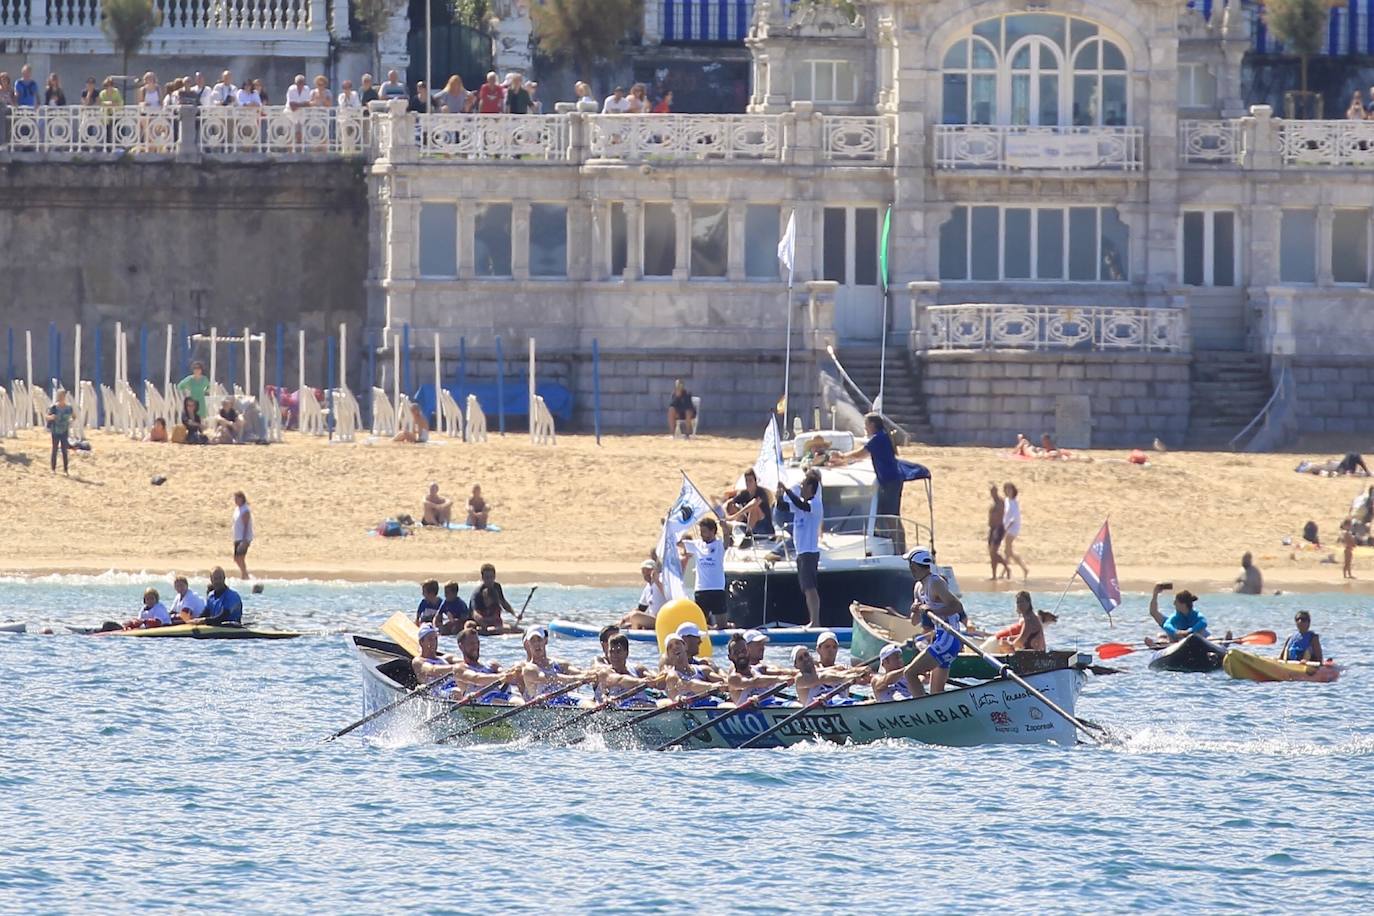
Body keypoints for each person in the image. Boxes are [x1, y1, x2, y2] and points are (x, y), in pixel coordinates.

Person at [899, 547, 967, 696]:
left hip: (949, 638)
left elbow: (957, 606)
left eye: (910, 565)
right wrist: (915, 610)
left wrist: (932, 610)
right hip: (941, 638)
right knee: (936, 693)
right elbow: (914, 622)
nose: (910, 569)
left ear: (914, 566)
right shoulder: (918, 587)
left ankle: (921, 707)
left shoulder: (936, 583)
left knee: (910, 673)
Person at [836, 413, 904, 551]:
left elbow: (861, 454)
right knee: (890, 515)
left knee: (891, 516)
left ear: (872, 425)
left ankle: (900, 548)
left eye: (866, 425)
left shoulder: (878, 439)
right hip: (891, 480)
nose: (865, 428)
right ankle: (897, 545)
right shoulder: (883, 436)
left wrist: (842, 456)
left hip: (890, 481)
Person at [777, 469, 824, 627]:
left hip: (809, 552)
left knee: (811, 588)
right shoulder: (801, 506)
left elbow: (800, 504)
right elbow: (783, 507)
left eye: (803, 486)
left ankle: (815, 621)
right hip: (801, 553)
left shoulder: (815, 504)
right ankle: (812, 620)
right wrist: (779, 495)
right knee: (806, 589)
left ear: (810, 488)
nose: (801, 488)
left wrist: (787, 490)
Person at [516, 625, 586, 705]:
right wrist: (579, 678)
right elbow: (549, 678)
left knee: (587, 703)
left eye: (539, 640)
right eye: (533, 641)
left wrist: (592, 674)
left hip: (565, 699)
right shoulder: (528, 669)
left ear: (545, 640)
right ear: (527, 644)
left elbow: (581, 672)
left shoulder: (559, 664)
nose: (536, 644)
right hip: (545, 703)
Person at [678, 517, 727, 627]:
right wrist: (679, 526)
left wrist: (724, 527)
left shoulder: (719, 544)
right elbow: (678, 543)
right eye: (700, 531)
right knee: (699, 623)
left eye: (704, 531)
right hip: (701, 590)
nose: (701, 534)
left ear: (712, 531)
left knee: (722, 624)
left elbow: (727, 541)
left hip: (717, 589)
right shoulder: (697, 544)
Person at [724, 634, 792, 706]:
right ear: (730, 657)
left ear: (748, 651)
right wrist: (779, 679)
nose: (741, 655)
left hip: (772, 704)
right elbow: (755, 682)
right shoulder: (733, 678)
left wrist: (792, 676)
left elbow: (780, 672)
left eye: (743, 651)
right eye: (736, 652)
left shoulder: (759, 669)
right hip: (751, 709)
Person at [596, 634, 660, 707]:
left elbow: (657, 681)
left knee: (666, 702)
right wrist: (641, 681)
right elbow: (620, 680)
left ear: (626, 653)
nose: (614, 655)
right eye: (611, 652)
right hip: (623, 707)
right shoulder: (605, 673)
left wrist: (656, 678)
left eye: (618, 651)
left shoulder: (637, 669)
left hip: (644, 704)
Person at [792, 645, 866, 705]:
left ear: (811, 656)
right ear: (796, 665)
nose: (805, 659)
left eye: (806, 655)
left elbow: (834, 672)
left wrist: (859, 671)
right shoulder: (799, 679)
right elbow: (822, 678)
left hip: (839, 701)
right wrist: (846, 677)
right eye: (800, 659)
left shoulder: (824, 671)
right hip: (825, 705)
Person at [662, 634, 723, 705]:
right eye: (670, 647)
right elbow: (684, 689)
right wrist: (711, 686)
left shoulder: (704, 669)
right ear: (668, 655)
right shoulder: (672, 676)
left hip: (712, 703)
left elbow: (722, 683)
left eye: (677, 643)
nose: (675, 647)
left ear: (685, 646)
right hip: (692, 708)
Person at [724, 468, 775, 540]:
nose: (748, 483)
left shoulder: (761, 492)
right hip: (749, 525)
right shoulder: (744, 493)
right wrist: (728, 514)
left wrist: (736, 515)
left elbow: (754, 503)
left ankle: (748, 535)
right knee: (731, 506)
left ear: (755, 481)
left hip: (765, 528)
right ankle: (730, 534)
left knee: (754, 508)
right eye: (746, 481)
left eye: (750, 481)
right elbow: (729, 502)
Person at [619, 560, 666, 629]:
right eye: (644, 571)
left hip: (663, 619)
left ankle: (636, 631)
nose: (646, 573)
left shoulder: (662, 581)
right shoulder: (647, 587)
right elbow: (641, 608)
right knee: (630, 617)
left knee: (635, 616)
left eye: (648, 570)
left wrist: (657, 581)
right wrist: (624, 619)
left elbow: (669, 595)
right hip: (653, 619)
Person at [470, 563, 516, 633]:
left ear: (494, 576)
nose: (489, 580)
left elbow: (503, 602)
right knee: (470, 624)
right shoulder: (477, 593)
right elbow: (475, 614)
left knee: (514, 629)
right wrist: (485, 626)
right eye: (487, 577)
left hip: (493, 620)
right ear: (482, 578)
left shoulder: (497, 587)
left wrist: (515, 614)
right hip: (479, 621)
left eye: (491, 577)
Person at [1001, 482, 1029, 578]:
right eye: (1006, 489)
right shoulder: (1006, 501)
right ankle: (1006, 572)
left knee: (1008, 551)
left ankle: (1023, 568)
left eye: (1010, 489)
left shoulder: (1014, 502)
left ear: (1013, 491)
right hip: (1006, 528)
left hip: (1012, 528)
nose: (1008, 491)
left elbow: (1014, 518)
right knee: (1008, 551)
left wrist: (1006, 528)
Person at [46, 388, 74, 475]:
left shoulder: (68, 408)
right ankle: (53, 469)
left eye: (62, 396)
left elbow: (74, 416)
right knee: (54, 449)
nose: (60, 398)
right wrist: (51, 417)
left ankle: (65, 470)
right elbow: (47, 417)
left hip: (64, 431)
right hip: (55, 431)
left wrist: (70, 420)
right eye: (59, 396)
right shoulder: (53, 407)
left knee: (64, 450)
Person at [986, 483, 1009, 580]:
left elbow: (1003, 516)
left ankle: (1007, 568)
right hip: (992, 529)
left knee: (993, 551)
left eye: (994, 491)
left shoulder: (1001, 503)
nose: (992, 494)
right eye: (991, 492)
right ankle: (994, 575)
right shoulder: (993, 504)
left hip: (998, 529)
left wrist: (998, 529)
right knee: (991, 554)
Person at [231, 491, 253, 579]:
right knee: (237, 558)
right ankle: (244, 574)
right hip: (237, 537)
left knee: (240, 557)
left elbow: (246, 526)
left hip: (243, 538)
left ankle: (245, 575)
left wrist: (244, 540)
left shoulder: (245, 510)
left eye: (237, 499)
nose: (235, 500)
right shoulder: (237, 509)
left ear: (242, 499)